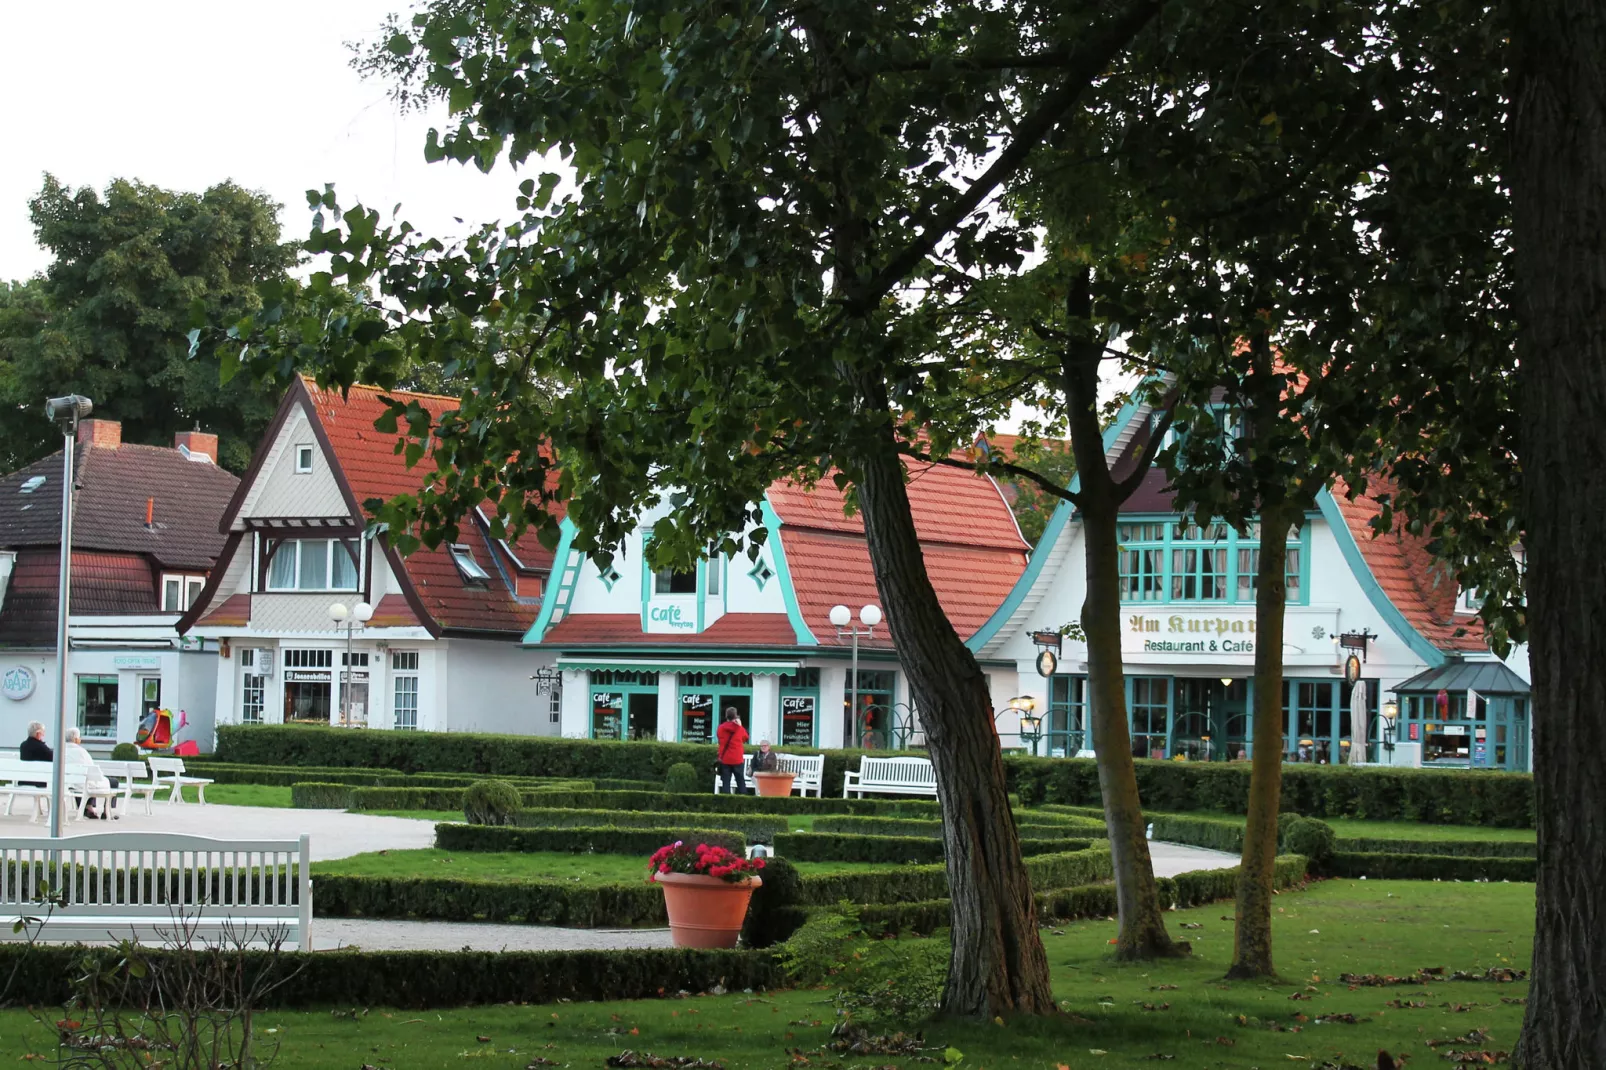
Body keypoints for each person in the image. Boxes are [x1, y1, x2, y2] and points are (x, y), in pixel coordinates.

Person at [63, 727, 114, 819]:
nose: (80, 739)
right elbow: (92, 769)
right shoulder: (82, 752)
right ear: (75, 739)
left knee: (81, 780)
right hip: (82, 783)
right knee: (111, 782)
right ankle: (106, 811)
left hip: (67, 783)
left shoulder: (61, 751)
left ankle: (88, 808)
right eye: (79, 737)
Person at [715, 707, 749, 794]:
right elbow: (745, 738)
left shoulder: (721, 728)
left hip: (725, 758)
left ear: (726, 716)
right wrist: (740, 726)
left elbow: (719, 738)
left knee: (726, 782)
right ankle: (743, 801)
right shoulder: (739, 728)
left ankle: (726, 801)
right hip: (737, 758)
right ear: (735, 716)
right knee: (740, 781)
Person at [18, 721, 50, 791]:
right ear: (38, 734)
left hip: (24, 780)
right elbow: (53, 758)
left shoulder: (23, 745)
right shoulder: (41, 747)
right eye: (43, 733)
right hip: (38, 782)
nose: (43, 735)